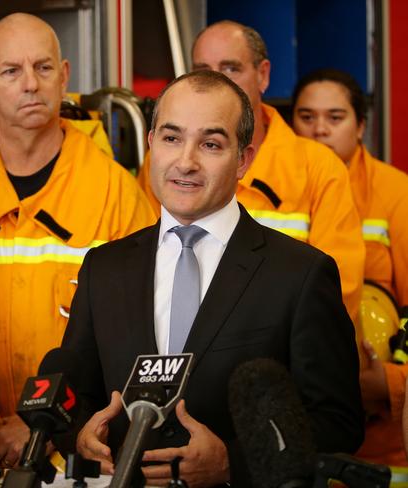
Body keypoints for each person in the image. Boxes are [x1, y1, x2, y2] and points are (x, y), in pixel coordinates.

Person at [62, 70, 364, 487]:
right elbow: (74, 395)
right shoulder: (104, 268)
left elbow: (339, 423)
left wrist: (232, 464)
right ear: (151, 144)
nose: (186, 161)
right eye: (171, 138)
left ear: (243, 159)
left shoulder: (301, 274)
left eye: (210, 144)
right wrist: (77, 434)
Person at [0, 13, 155, 467]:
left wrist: (40, 425)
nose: (30, 84)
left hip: (78, 456)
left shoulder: (118, 197)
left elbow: (135, 347)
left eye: (43, 68)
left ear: (63, 78)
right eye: (10, 71)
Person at [136, 20, 365, 323]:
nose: (216, 81)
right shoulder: (162, 166)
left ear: (264, 75)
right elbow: (141, 269)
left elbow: (336, 292)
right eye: (203, 70)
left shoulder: (319, 169)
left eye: (231, 68)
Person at [292, 68, 408, 466]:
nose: (319, 129)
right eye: (306, 117)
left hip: (384, 425)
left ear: (360, 126)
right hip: (301, 406)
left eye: (334, 117)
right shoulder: (276, 192)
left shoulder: (396, 193)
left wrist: (390, 383)